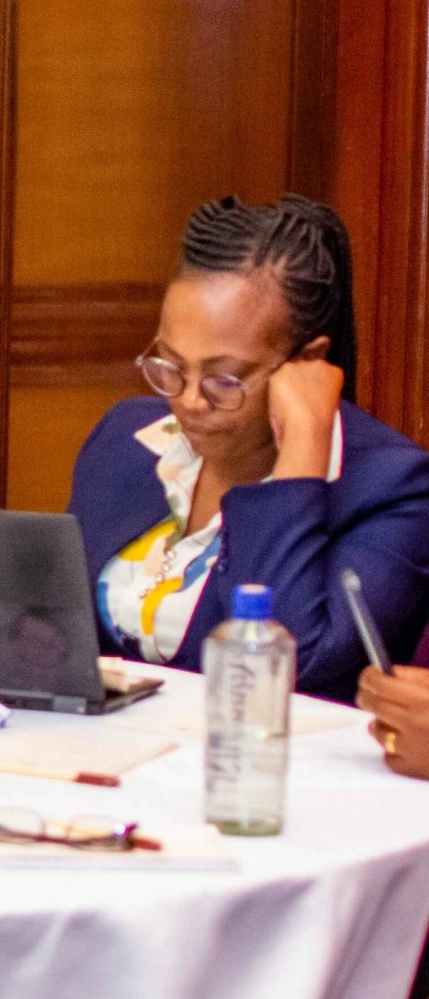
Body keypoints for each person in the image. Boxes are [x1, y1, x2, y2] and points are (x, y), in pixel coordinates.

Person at [69, 194, 429, 703]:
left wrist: (302, 447)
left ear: (309, 360)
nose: (189, 401)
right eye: (170, 365)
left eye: (224, 379)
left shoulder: (392, 489)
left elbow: (282, 672)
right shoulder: (127, 439)